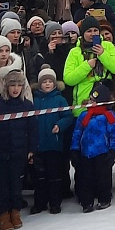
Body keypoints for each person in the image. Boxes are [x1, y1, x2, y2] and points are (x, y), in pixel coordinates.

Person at [0, 69, 36, 230]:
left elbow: (33, 130)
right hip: (1, 153)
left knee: (16, 184)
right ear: (6, 87)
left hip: (19, 153)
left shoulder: (27, 106)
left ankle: (15, 211)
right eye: (12, 85)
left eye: (18, 85)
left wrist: (32, 149)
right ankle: (3, 214)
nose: (15, 88)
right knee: (1, 186)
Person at [71, 81, 115, 212]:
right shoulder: (84, 115)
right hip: (85, 153)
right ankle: (86, 202)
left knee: (103, 177)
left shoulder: (109, 116)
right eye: (91, 99)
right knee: (85, 178)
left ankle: (104, 198)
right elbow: (77, 132)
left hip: (102, 152)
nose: (91, 102)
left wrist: (113, 150)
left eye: (95, 100)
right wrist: (74, 150)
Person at [31, 66, 73, 213]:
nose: (47, 84)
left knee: (54, 176)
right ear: (39, 84)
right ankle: (40, 203)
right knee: (39, 177)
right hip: (38, 145)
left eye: (50, 81)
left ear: (55, 83)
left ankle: (55, 203)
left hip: (54, 144)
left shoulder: (60, 99)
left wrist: (59, 126)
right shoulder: (34, 100)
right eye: (44, 81)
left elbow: (68, 117)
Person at [62, 17, 115, 114]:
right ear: (83, 33)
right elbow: (68, 79)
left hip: (105, 102)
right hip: (83, 106)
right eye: (89, 31)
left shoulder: (107, 46)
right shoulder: (75, 52)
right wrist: (87, 66)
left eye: (96, 30)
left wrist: (103, 54)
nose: (93, 34)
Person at [0, 34, 32, 110]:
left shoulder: (18, 72)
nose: (4, 54)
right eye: (0, 51)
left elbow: (27, 94)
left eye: (7, 50)